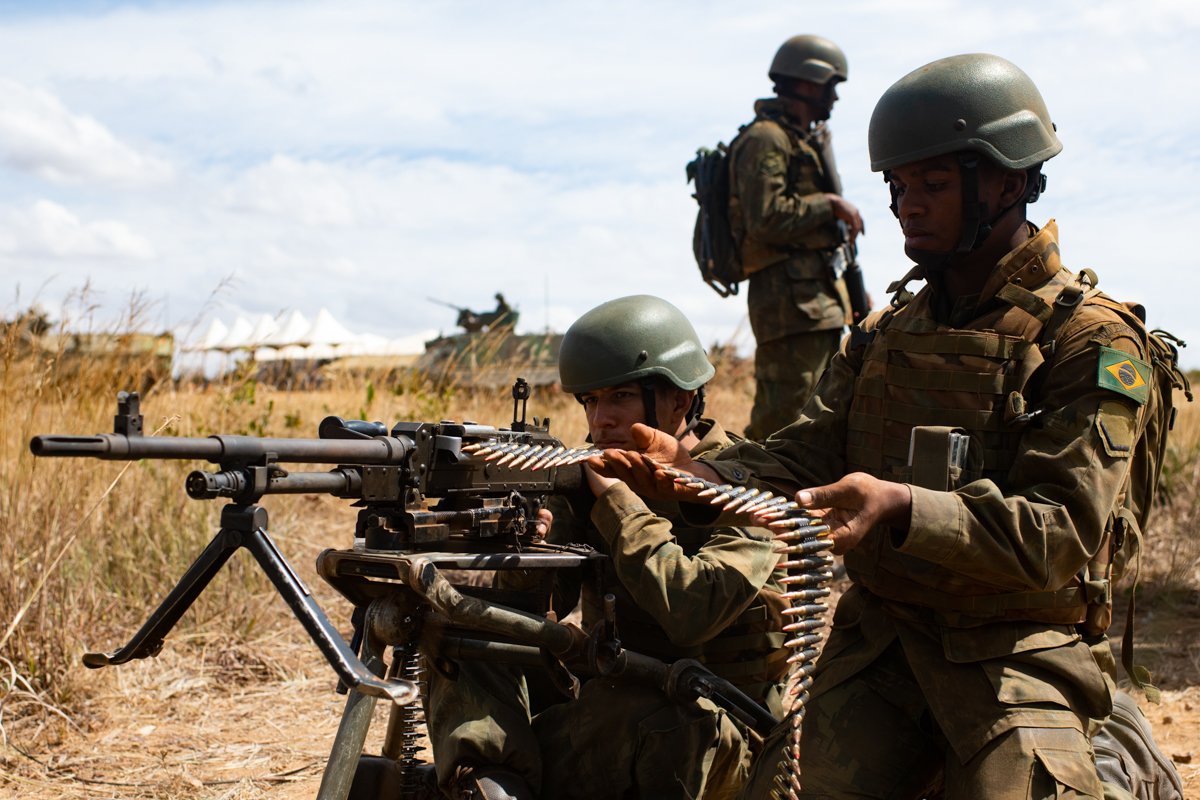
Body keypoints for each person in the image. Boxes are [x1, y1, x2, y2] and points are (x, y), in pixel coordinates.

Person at [593, 54, 1173, 799]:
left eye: (932, 185)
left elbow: (1060, 532)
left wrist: (902, 506)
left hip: (1019, 651)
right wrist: (696, 469)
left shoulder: (1090, 343)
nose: (907, 206)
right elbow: (806, 456)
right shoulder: (882, 334)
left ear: (1007, 181)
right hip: (880, 645)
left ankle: (1113, 746)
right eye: (898, 187)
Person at [426, 294, 789, 800]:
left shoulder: (746, 484)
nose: (600, 422)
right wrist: (529, 552)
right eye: (591, 402)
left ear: (680, 400)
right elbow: (532, 610)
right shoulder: (593, 472)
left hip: (720, 732)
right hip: (611, 706)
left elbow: (693, 608)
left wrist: (618, 504)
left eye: (620, 397)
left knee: (647, 714)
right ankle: (492, 785)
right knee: (464, 622)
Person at [729, 34, 864, 441]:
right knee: (783, 421)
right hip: (788, 304)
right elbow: (766, 218)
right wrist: (830, 204)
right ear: (807, 82)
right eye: (831, 87)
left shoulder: (800, 139)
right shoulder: (766, 138)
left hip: (815, 300)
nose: (835, 98)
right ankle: (747, 500)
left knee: (819, 417)